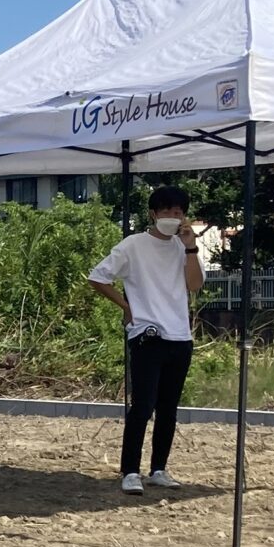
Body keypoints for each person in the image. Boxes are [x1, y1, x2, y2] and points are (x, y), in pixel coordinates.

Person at [87, 186, 205, 495]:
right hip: (146, 334)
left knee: (169, 408)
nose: (171, 217)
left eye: (177, 212)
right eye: (165, 212)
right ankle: (130, 471)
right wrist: (127, 308)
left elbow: (194, 286)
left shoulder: (183, 247)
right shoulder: (134, 245)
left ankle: (159, 469)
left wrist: (191, 247)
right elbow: (97, 276)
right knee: (142, 406)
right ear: (153, 214)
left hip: (180, 335)